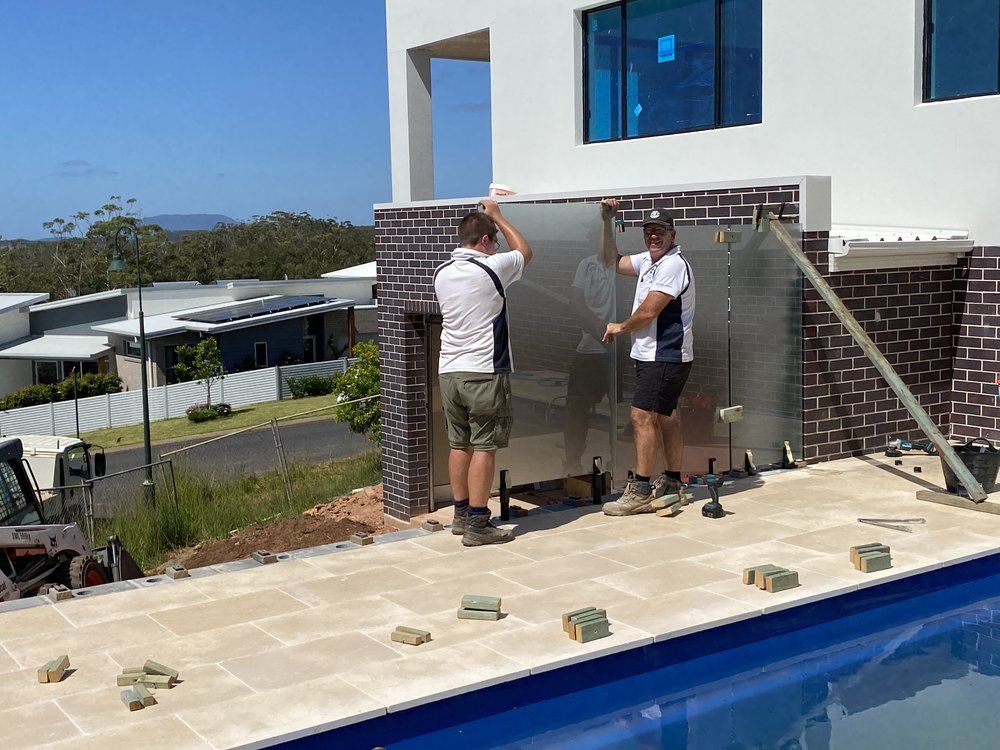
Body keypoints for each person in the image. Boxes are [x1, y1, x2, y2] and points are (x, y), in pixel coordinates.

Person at [433, 199, 532, 545]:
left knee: (459, 444)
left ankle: (460, 515)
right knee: (485, 446)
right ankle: (478, 522)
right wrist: (500, 217)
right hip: (484, 370)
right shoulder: (492, 268)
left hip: (449, 372)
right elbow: (525, 251)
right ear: (487, 241)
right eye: (494, 241)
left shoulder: (441, 274)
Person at [600, 198, 696, 516]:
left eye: (660, 231)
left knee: (642, 417)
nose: (654, 235)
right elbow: (611, 260)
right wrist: (607, 221)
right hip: (652, 354)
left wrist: (620, 326)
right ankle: (671, 482)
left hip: (664, 355)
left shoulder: (672, 265)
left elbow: (649, 311)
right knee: (666, 417)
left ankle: (640, 489)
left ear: (673, 234)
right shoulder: (649, 261)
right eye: (649, 230)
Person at [563, 235, 617, 476]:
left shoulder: (623, 265)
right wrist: (597, 324)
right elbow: (575, 301)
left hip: (616, 351)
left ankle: (619, 462)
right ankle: (573, 462)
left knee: (618, 408)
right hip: (588, 349)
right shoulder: (587, 264)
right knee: (577, 407)